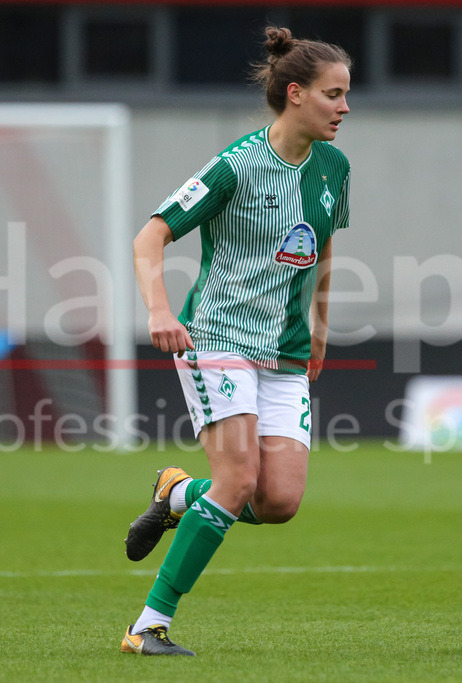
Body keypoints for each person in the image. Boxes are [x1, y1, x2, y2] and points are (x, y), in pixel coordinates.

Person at [121, 26, 352, 657]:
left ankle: (176, 492)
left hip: (287, 353)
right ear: (296, 94)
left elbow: (325, 244)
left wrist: (323, 328)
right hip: (218, 338)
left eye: (346, 95)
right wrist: (160, 310)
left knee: (279, 500)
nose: (344, 107)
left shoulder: (334, 167)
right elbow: (150, 238)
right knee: (238, 479)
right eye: (334, 94)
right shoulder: (237, 165)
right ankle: (149, 627)